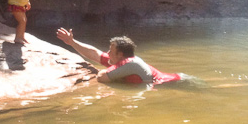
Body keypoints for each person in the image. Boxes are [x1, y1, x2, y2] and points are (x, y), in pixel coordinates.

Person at [55, 28, 191, 86]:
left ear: (120, 54)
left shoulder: (130, 64)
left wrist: (108, 71)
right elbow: (95, 54)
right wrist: (72, 42)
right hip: (177, 81)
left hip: (181, 82)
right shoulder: (120, 62)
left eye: (110, 50)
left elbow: (102, 78)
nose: (107, 53)